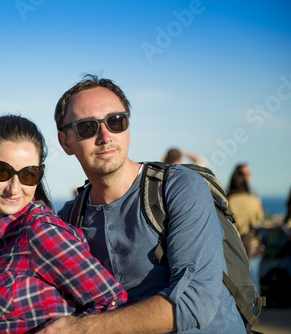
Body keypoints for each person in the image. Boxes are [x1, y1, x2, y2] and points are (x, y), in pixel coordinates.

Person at [39, 74, 246, 333]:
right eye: (87, 127)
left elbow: (195, 301)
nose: (105, 136)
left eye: (115, 121)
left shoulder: (179, 188)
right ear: (65, 142)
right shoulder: (71, 217)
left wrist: (84, 328)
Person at [0, 115, 128, 333]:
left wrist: (73, 329)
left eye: (28, 175)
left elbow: (111, 301)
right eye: (1, 171)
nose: (14, 188)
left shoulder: (39, 230)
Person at [227, 164, 265, 295]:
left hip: (234, 245)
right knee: (254, 281)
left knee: (235, 283)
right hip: (252, 245)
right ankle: (254, 313)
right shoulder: (254, 200)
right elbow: (259, 218)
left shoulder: (228, 200)